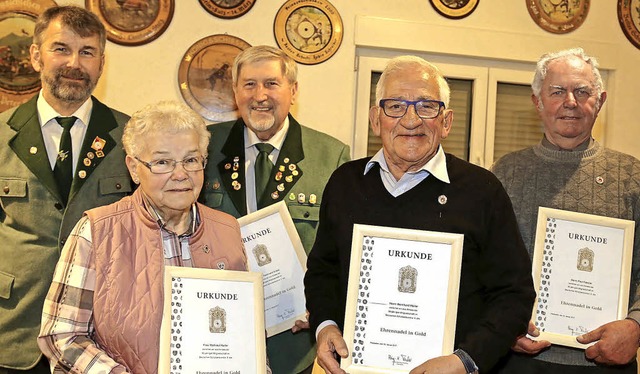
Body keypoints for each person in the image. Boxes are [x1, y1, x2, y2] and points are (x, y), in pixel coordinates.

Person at [304, 55, 536, 374]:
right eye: (396, 106)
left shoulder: (482, 191)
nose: (411, 120)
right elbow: (323, 270)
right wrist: (325, 326)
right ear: (376, 119)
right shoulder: (346, 184)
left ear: (446, 121)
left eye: (426, 106)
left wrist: (465, 360)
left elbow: (514, 294)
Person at [37, 101, 267, 373]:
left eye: (191, 160)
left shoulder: (228, 230)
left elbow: (246, 336)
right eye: (162, 162)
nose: (180, 174)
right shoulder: (95, 231)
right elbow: (62, 336)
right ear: (134, 168)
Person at [202, 45, 350, 374]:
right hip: (219, 331)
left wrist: (326, 308)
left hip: (295, 342)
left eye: (271, 83)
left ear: (293, 91)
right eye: (249, 84)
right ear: (235, 91)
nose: (260, 95)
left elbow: (343, 251)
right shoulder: (205, 147)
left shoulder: (330, 156)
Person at [491, 48, 640, 374]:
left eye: (582, 91)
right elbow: (483, 265)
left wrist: (636, 326)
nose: (570, 101)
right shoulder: (506, 172)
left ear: (599, 101)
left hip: (608, 362)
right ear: (538, 102)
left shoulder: (633, 177)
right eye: (557, 91)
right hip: (517, 360)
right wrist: (502, 321)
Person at [0, 6, 131, 374]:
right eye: (61, 48)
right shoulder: (1, 135)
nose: (75, 63)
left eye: (87, 52)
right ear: (35, 55)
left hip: (98, 339)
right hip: (13, 332)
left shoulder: (130, 138)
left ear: (101, 63)